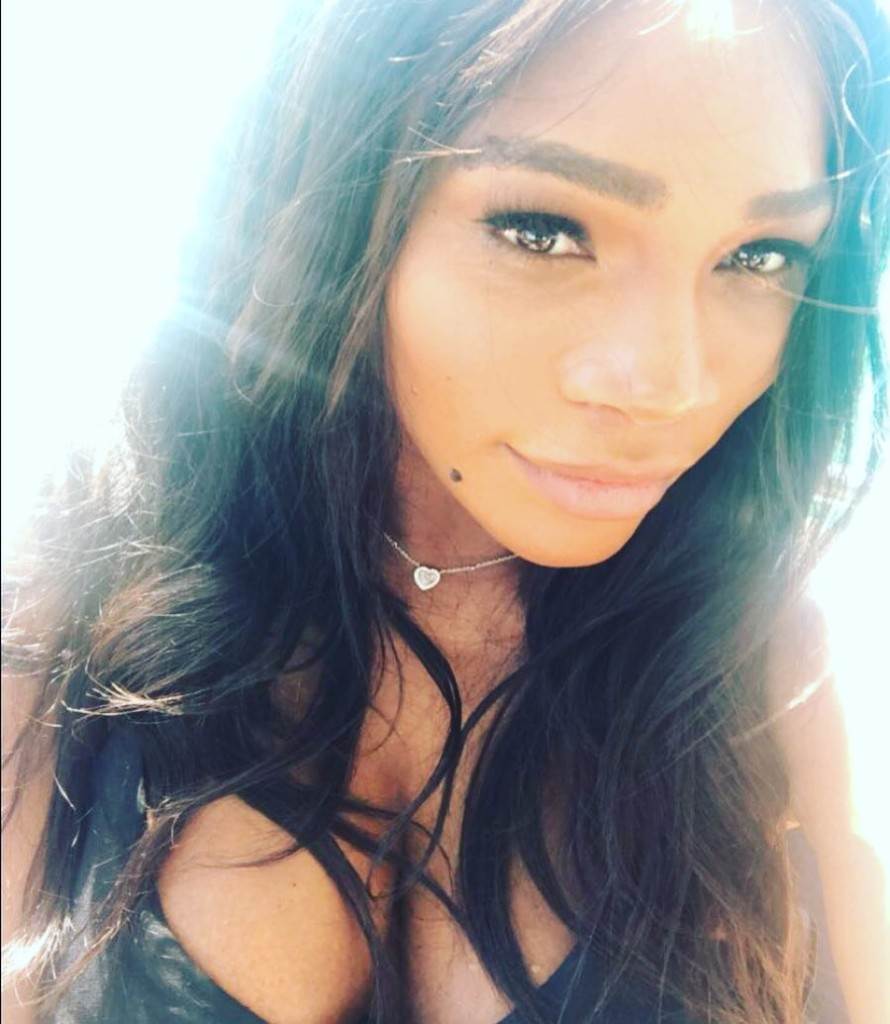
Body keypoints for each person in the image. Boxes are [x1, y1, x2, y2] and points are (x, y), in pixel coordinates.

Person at [2, 0, 889, 1021]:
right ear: (332, 211)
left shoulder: (783, 670)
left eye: (759, 257)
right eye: (542, 231)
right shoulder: (72, 597)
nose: (665, 385)